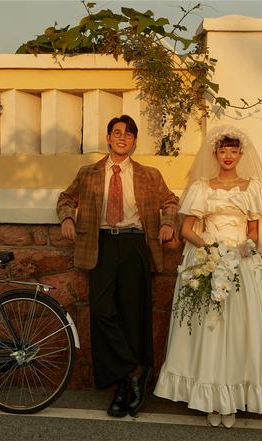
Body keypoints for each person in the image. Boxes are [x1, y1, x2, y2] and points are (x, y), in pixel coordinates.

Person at [154, 125, 262, 428]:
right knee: (209, 330)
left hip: (241, 263)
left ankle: (232, 399)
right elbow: (188, 229)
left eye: (233, 150)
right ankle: (211, 398)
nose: (228, 155)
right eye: (223, 150)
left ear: (241, 154)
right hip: (207, 258)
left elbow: (254, 231)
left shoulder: (252, 187)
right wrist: (211, 250)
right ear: (215, 153)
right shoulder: (202, 187)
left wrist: (239, 252)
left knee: (240, 331)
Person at [57, 114, 179, 418]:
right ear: (108, 138)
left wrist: (167, 224)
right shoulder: (89, 173)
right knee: (101, 313)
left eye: (128, 134)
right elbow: (65, 198)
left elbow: (171, 201)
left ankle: (126, 390)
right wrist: (68, 217)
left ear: (134, 141)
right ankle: (135, 371)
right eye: (117, 132)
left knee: (133, 317)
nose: (122, 137)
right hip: (101, 245)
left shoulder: (149, 174)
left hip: (135, 244)